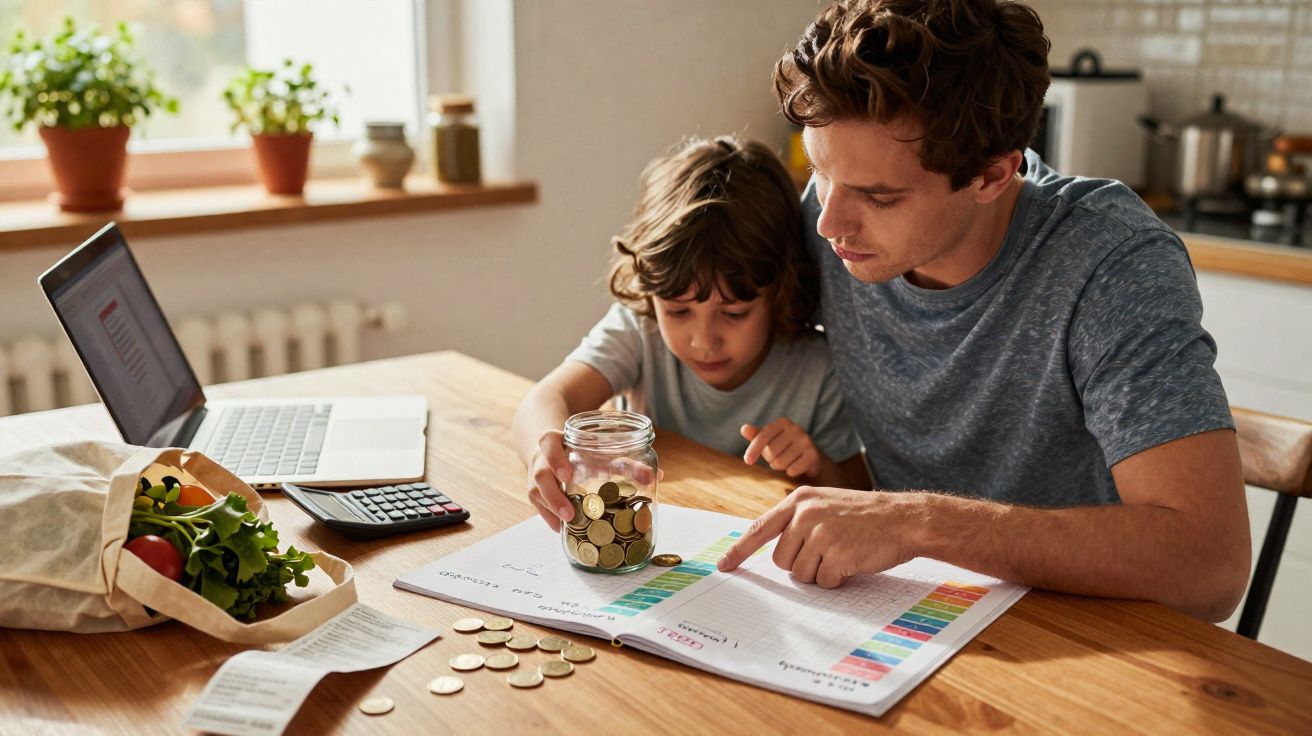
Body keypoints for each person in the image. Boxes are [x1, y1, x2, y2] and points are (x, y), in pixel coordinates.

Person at [716, 0, 1251, 623]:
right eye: (821, 173)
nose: (829, 221)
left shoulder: (1109, 264)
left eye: (879, 197)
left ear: (995, 174)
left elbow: (1212, 567)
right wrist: (571, 412)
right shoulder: (834, 215)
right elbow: (687, 294)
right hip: (902, 606)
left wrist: (917, 521)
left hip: (1079, 631)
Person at [514, 135, 869, 532]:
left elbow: (859, 497)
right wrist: (543, 451)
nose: (703, 340)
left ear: (780, 291)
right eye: (678, 310)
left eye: (734, 313)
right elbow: (545, 398)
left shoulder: (817, 366)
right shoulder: (639, 329)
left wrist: (816, 464)